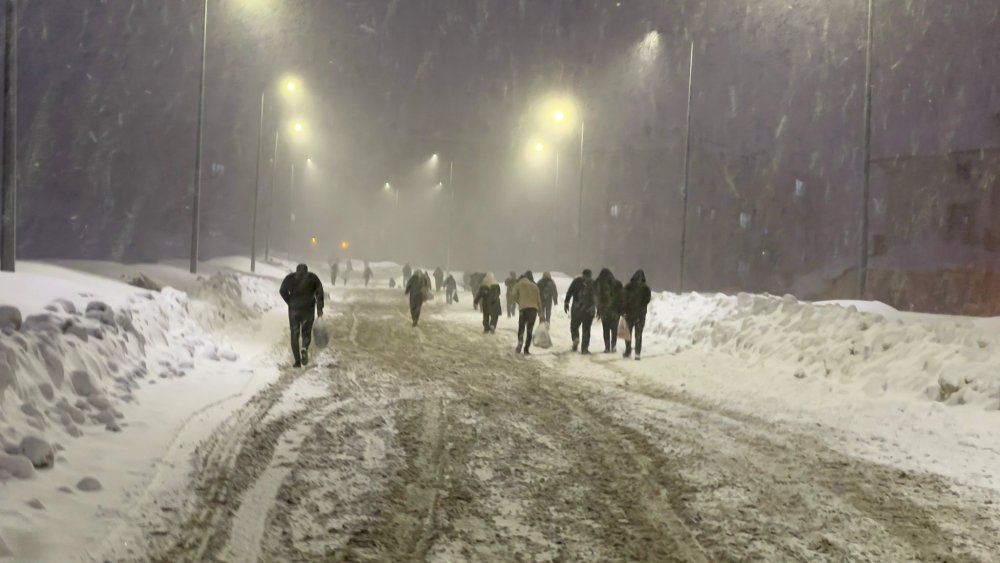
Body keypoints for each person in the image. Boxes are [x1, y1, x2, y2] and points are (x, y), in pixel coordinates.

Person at [279, 264, 324, 367]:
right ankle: (304, 347)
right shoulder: (313, 277)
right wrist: (320, 308)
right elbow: (319, 292)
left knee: (294, 333)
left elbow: (282, 290)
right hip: (308, 309)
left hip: (294, 310)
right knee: (306, 332)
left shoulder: (290, 277)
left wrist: (289, 301)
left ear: (297, 270)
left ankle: (297, 361)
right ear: (306, 270)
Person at [564, 269, 596, 354]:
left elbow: (569, 292)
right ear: (590, 274)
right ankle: (584, 348)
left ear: (583, 274)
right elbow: (598, 297)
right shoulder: (593, 283)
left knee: (574, 326)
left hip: (577, 308)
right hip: (589, 310)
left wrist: (566, 302)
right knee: (586, 329)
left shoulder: (576, 281)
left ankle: (575, 338)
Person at [623, 269, 652, 360]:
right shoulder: (646, 288)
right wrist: (641, 307)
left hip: (629, 314)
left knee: (628, 333)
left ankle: (628, 351)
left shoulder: (628, 287)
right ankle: (637, 353)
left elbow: (622, 299)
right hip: (640, 315)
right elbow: (647, 300)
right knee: (638, 334)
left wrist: (624, 309)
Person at [511, 271, 541, 355]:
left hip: (523, 309)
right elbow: (539, 301)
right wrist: (541, 314)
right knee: (529, 329)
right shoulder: (534, 286)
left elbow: (513, 295)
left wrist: (519, 301)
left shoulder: (518, 284)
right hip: (533, 310)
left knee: (521, 327)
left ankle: (520, 341)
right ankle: (526, 349)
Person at [596, 268, 624, 353]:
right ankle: (613, 346)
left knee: (606, 329)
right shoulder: (618, 284)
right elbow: (622, 298)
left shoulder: (600, 285)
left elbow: (597, 299)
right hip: (615, 311)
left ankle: (607, 347)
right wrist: (622, 309)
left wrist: (599, 310)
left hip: (605, 311)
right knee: (614, 329)